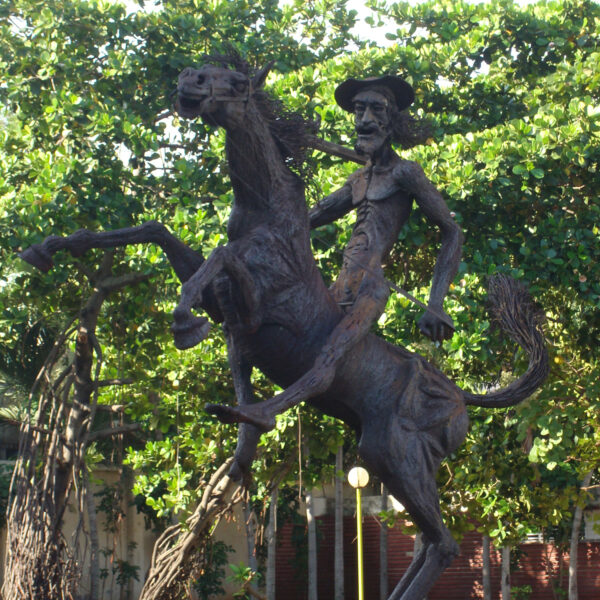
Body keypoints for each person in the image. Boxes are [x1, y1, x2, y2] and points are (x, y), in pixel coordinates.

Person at [208, 75, 463, 430]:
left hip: (369, 290)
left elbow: (452, 232)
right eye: (359, 109)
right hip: (336, 289)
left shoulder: (406, 173)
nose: (365, 119)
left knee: (330, 356)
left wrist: (436, 302)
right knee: (240, 326)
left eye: (376, 109)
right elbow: (302, 221)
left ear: (392, 120)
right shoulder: (357, 181)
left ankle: (269, 412)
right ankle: (244, 422)